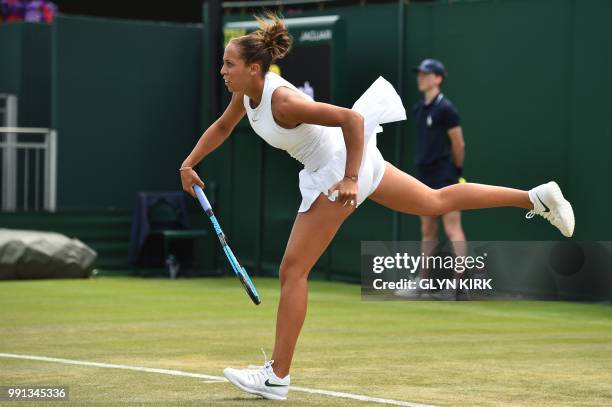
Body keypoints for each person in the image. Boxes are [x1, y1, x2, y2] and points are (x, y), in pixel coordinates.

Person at [179, 12, 575, 401]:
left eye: (229, 64)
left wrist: (350, 178)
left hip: (340, 165)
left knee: (292, 270)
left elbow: (351, 119)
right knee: (434, 201)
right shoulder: (244, 97)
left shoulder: (281, 101)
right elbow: (222, 127)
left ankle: (277, 376)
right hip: (358, 159)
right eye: (223, 63)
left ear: (254, 68)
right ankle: (535, 197)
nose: (222, 70)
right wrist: (189, 163)